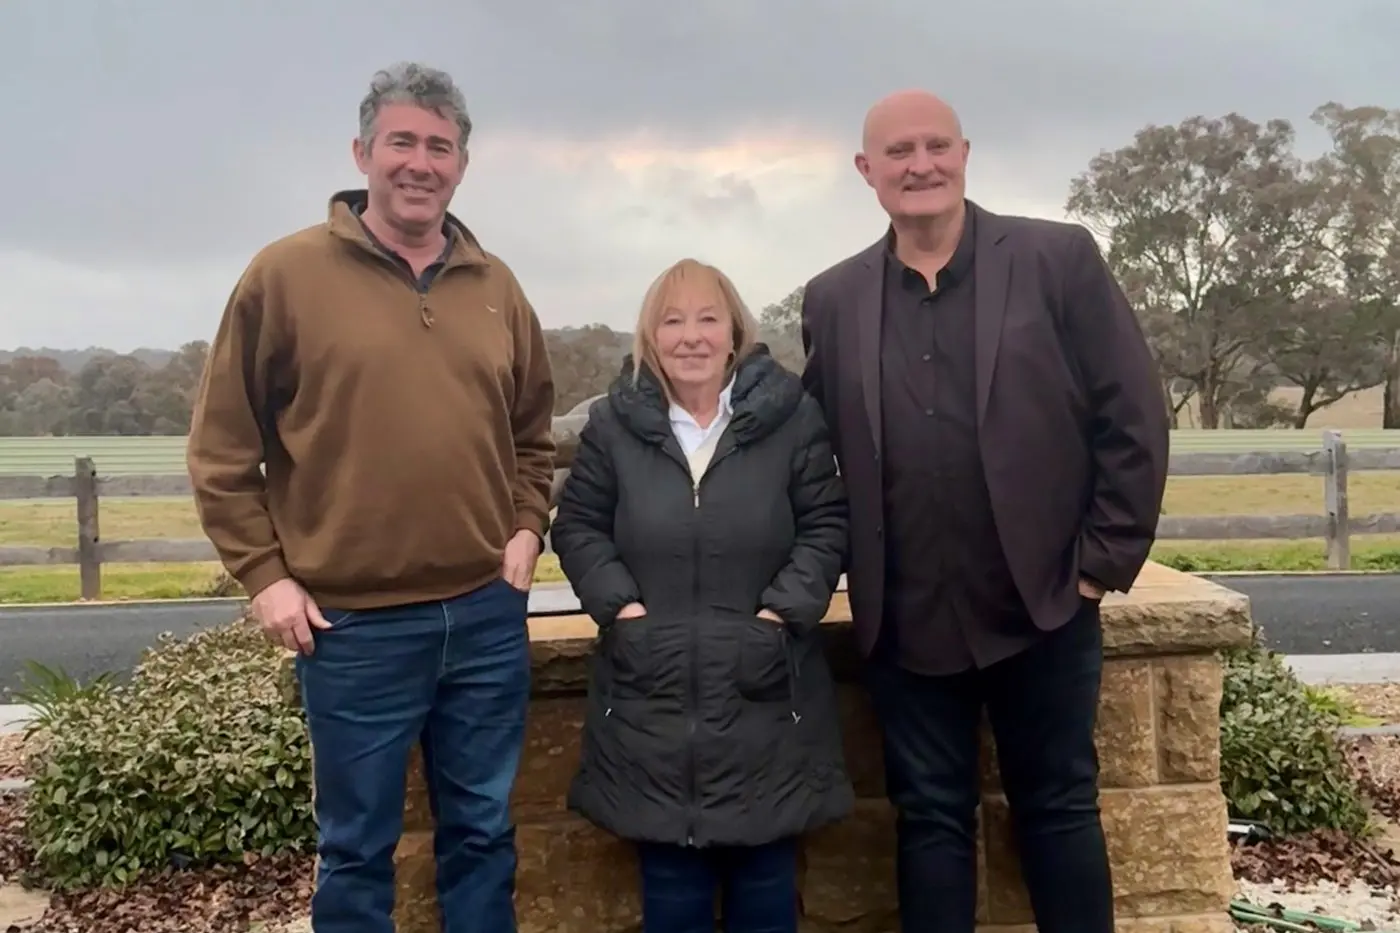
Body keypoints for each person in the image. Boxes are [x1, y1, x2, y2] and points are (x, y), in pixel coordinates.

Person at [186, 62, 555, 933]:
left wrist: (527, 525)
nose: (420, 163)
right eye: (402, 142)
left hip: (484, 614)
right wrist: (265, 577)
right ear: (362, 153)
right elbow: (220, 448)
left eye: (440, 147)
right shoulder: (284, 276)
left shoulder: (496, 286)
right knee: (355, 849)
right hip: (352, 626)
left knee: (484, 835)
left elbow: (533, 433)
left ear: (462, 164)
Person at [798, 90, 1170, 932]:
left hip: (1043, 604)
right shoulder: (833, 299)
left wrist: (1097, 567)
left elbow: (1133, 417)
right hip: (906, 618)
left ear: (965, 154)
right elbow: (809, 451)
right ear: (866, 170)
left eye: (936, 146)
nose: (920, 165)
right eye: (899, 152)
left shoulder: (1056, 260)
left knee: (1059, 806)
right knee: (929, 817)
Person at [550, 258, 853, 933]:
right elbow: (577, 524)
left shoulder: (790, 418)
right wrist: (622, 610)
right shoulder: (615, 424)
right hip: (650, 699)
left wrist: (780, 615)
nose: (691, 336)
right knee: (672, 894)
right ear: (650, 336)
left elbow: (827, 523)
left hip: (766, 692)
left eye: (708, 318)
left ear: (735, 331)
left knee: (766, 890)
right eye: (673, 320)